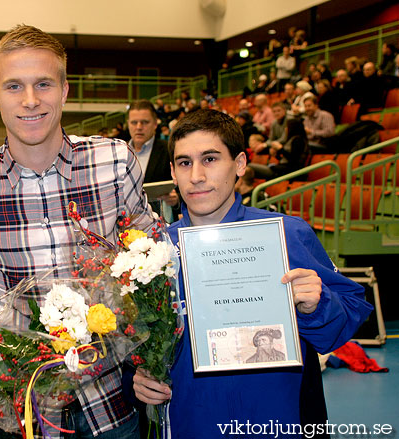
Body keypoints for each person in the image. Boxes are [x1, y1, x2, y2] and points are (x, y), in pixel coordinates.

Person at [0, 24, 154, 439]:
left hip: (111, 399)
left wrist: (156, 362)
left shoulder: (113, 161)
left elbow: (151, 265)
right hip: (14, 408)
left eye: (43, 83)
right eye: (14, 86)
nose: (30, 100)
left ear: (64, 90)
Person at [130, 108, 373, 438]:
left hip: (277, 420)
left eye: (211, 159)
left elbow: (348, 316)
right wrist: (141, 376)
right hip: (190, 421)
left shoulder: (286, 234)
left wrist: (317, 306)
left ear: (240, 164)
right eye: (185, 163)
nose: (196, 175)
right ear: (172, 171)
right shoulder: (153, 253)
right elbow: (135, 341)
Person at [127, 99, 179, 220]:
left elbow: (183, 188)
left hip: (160, 225)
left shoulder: (169, 150)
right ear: (128, 124)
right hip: (126, 225)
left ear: (155, 124)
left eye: (144, 122)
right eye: (134, 122)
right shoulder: (119, 152)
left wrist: (176, 199)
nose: (139, 127)